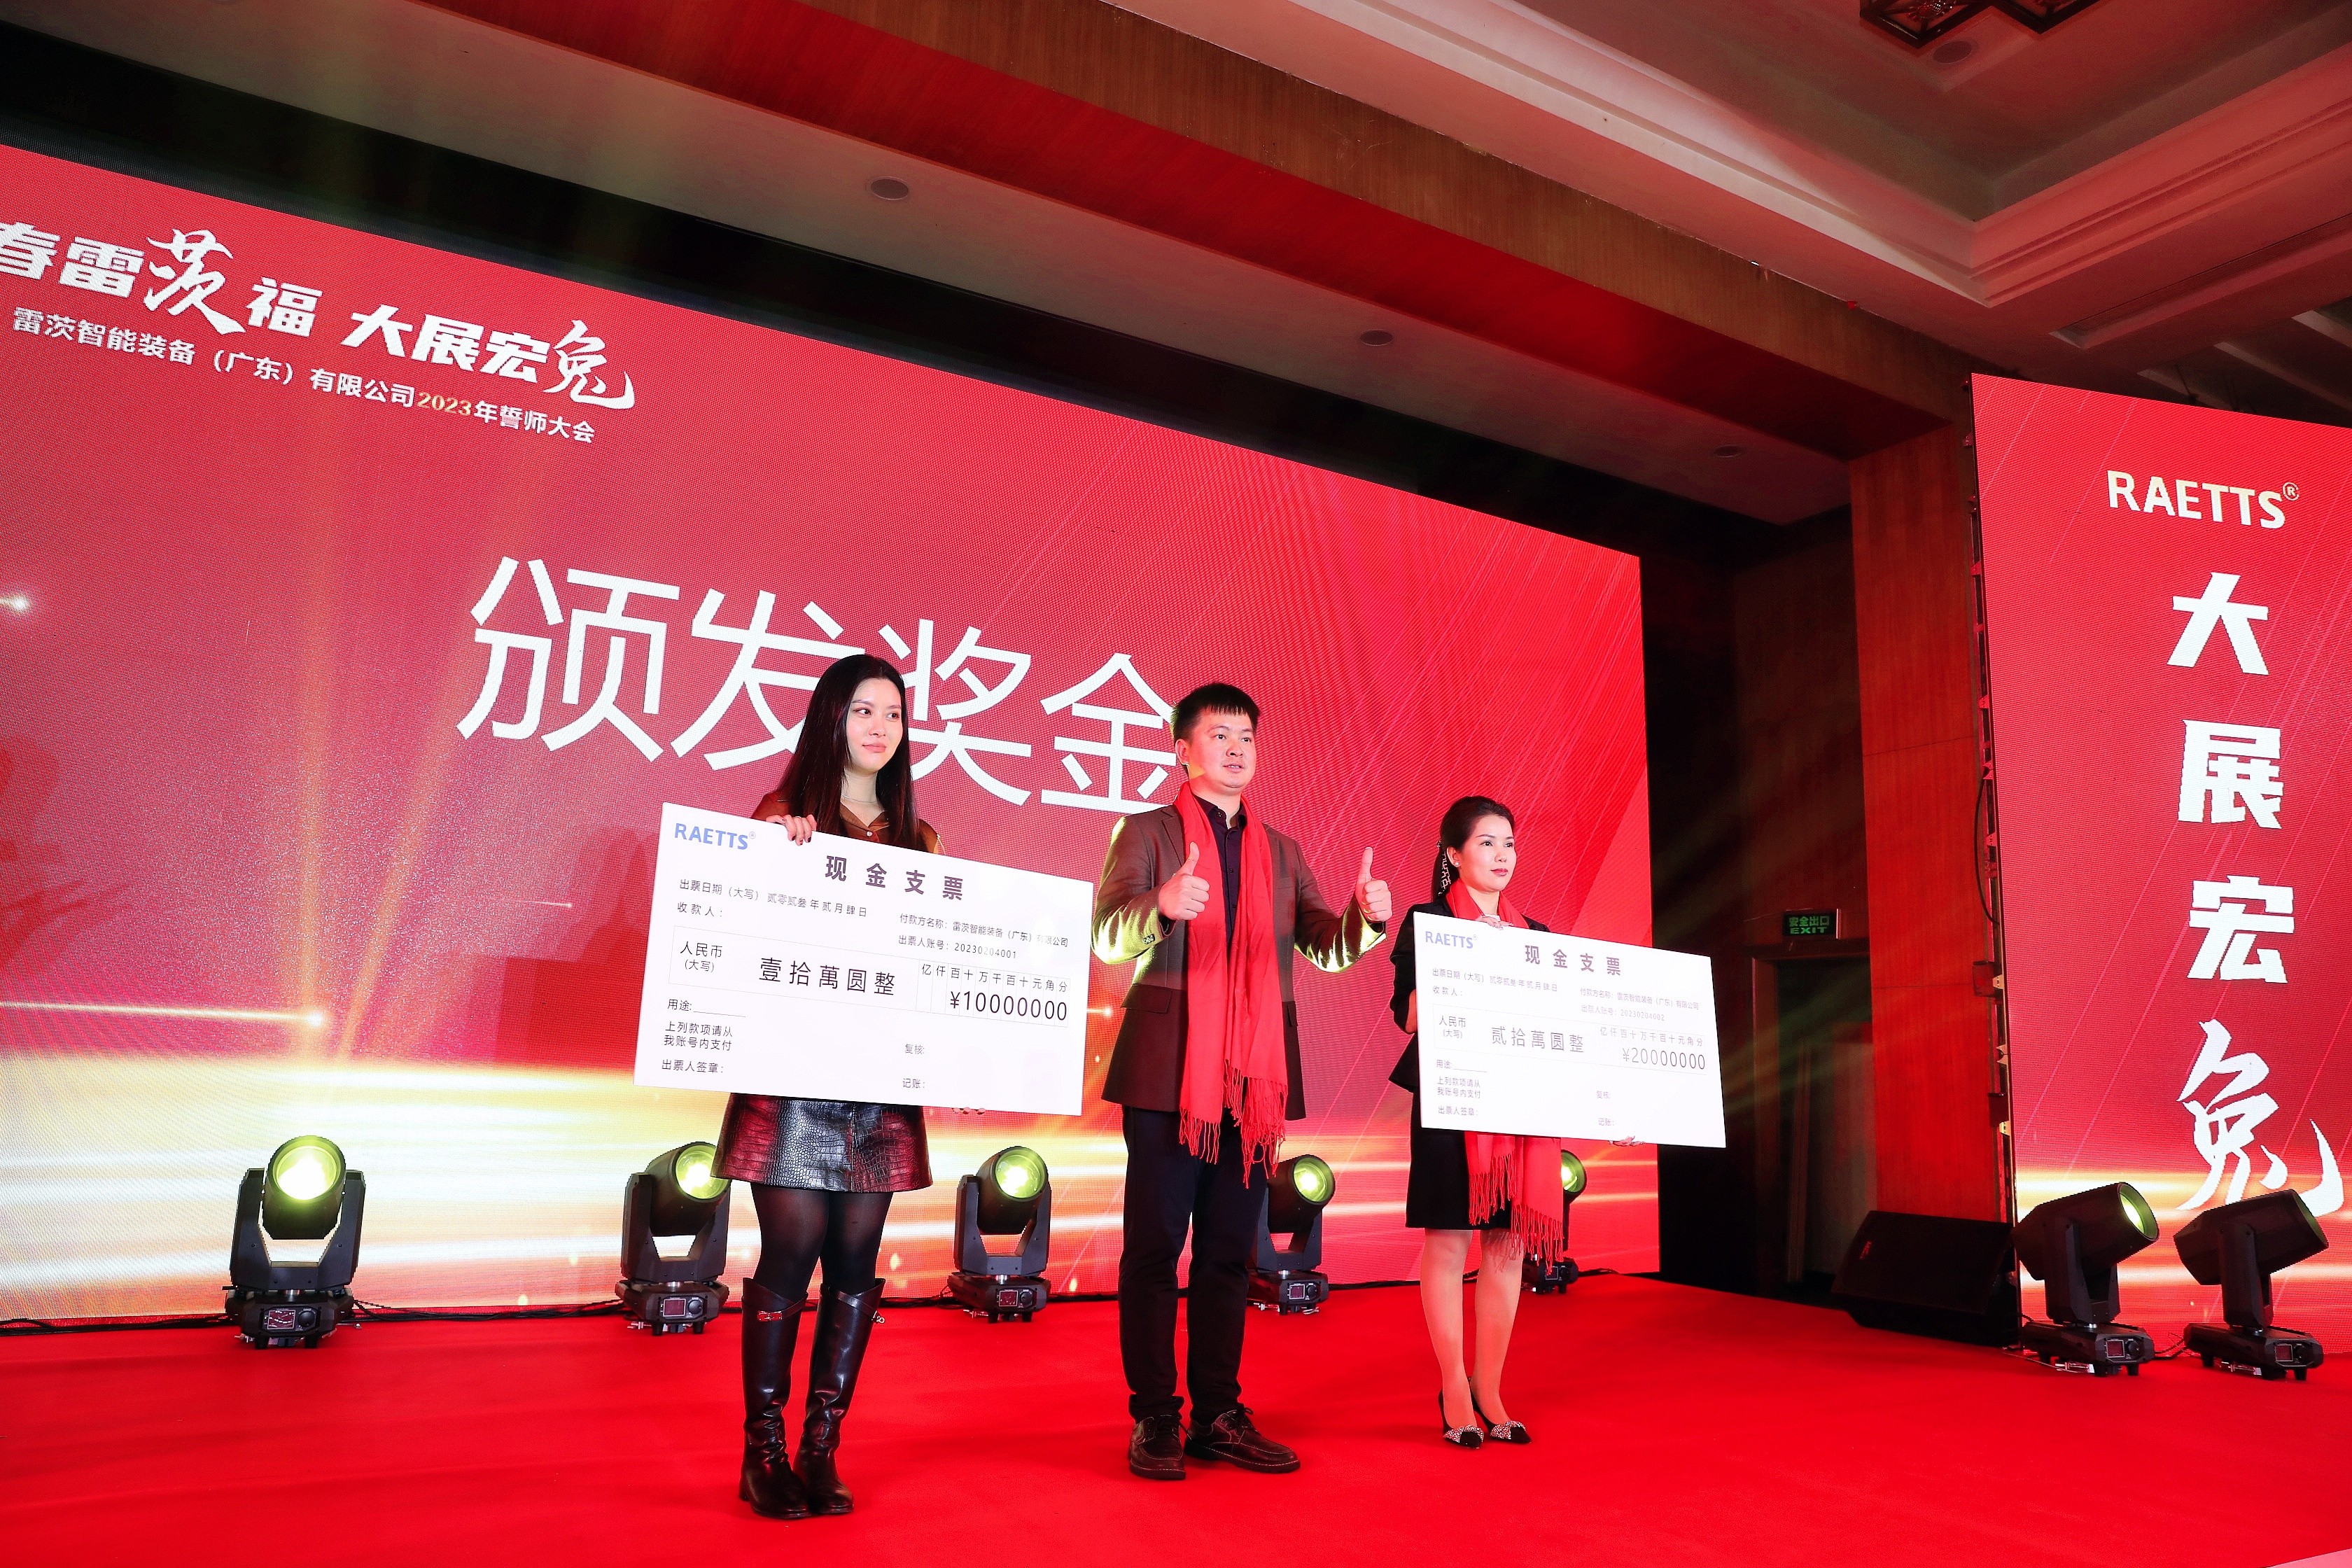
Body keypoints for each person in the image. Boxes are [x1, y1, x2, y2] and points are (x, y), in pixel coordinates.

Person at [1091, 681, 1390, 1481]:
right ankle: (1156, 1414)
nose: (1235, 747)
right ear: (1181, 748)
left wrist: (1364, 917)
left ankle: (1217, 1412)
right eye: (1219, 733)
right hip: (1167, 1072)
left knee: (1228, 1252)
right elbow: (1108, 936)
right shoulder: (1146, 831)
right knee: (1155, 1249)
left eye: (1246, 736)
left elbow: (1324, 945)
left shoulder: (1281, 850)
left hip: (1252, 1082)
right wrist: (1161, 903)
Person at [716, 653, 941, 1521]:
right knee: (793, 1249)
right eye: (863, 710)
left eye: (894, 713)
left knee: (855, 1258)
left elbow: (935, 966)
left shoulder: (922, 841)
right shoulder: (783, 816)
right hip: (793, 1079)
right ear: (830, 718)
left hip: (879, 1085)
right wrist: (774, 861)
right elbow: (736, 936)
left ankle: (821, 1446)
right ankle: (762, 1452)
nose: (881, 727)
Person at [1387, 795, 1561, 1449]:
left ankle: (1491, 1388)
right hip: (1451, 1098)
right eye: (1487, 843)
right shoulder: (1429, 921)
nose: (1502, 855)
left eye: (1509, 843)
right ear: (1454, 856)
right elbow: (1409, 1018)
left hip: (1518, 1102)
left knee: (1507, 1245)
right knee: (1450, 1240)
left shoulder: (1536, 936)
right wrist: (1467, 958)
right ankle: (1453, 1388)